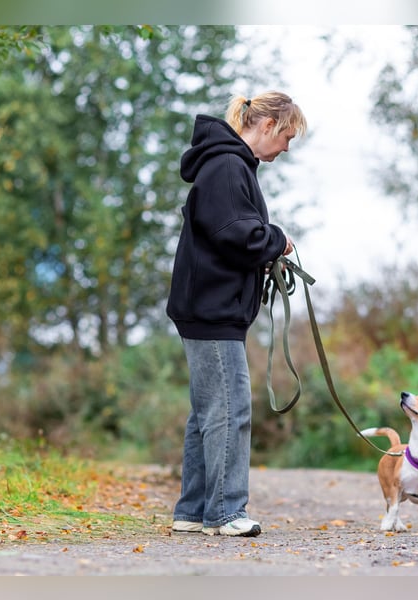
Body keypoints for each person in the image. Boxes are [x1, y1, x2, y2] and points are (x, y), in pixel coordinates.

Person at [165, 91, 307, 537]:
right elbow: (233, 234)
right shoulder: (227, 165)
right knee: (229, 409)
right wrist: (276, 239)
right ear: (266, 126)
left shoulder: (227, 164)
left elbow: (227, 232)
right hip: (212, 308)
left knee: (207, 411)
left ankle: (192, 511)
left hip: (206, 305)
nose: (286, 148)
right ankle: (225, 512)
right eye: (285, 136)